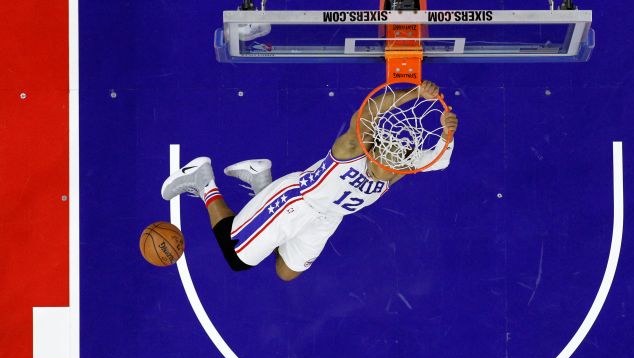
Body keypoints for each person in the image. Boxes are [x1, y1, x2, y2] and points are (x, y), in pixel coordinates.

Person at [160, 80, 459, 281]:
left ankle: (259, 178)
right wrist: (415, 94)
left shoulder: (400, 167)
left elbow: (439, 158)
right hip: (296, 202)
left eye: (401, 161)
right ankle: (204, 181)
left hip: (327, 218)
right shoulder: (351, 150)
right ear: (376, 150)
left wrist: (447, 131)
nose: (396, 166)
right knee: (238, 259)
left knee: (285, 272)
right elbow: (367, 112)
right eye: (392, 156)